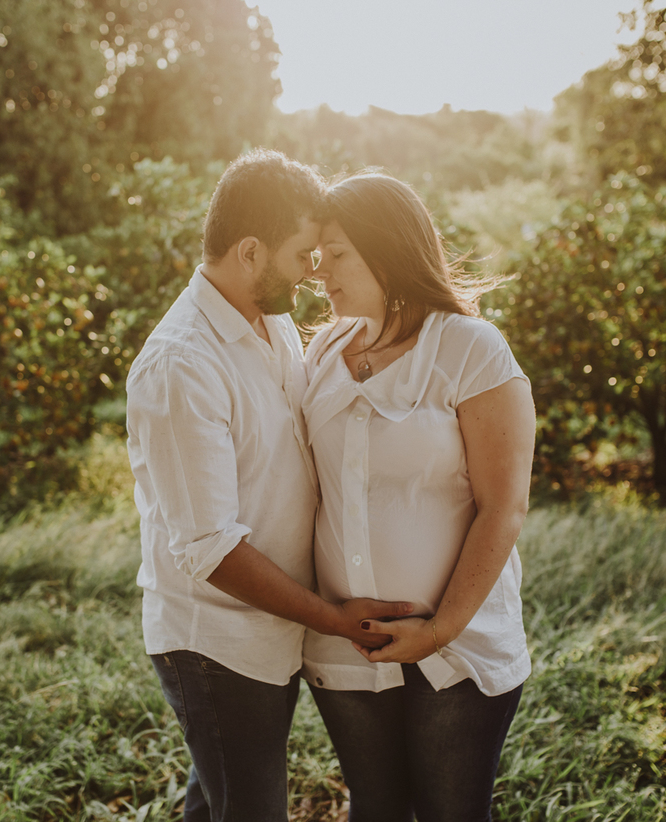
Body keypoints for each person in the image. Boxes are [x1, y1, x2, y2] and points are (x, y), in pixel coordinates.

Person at [125, 149, 412, 822]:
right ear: (250, 251)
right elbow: (211, 549)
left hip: (270, 629)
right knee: (249, 810)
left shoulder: (271, 321)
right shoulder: (180, 366)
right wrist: (332, 618)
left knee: (221, 800)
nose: (314, 274)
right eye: (302, 256)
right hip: (216, 642)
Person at [301, 171, 536, 822]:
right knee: (374, 809)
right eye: (317, 257)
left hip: (457, 647)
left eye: (337, 255)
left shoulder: (470, 349)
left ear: (387, 249)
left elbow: (504, 506)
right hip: (345, 644)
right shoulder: (323, 349)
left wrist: (438, 629)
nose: (321, 274)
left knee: (451, 813)